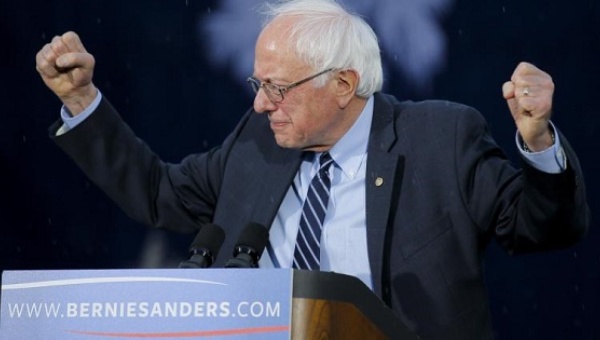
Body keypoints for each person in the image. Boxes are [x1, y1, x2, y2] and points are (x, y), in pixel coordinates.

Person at [35, 0, 589, 338]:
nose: (259, 104)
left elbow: (542, 226)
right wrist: (82, 102)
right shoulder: (259, 143)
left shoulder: (441, 138)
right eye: (259, 85)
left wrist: (537, 141)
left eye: (277, 88)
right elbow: (157, 194)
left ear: (344, 85)